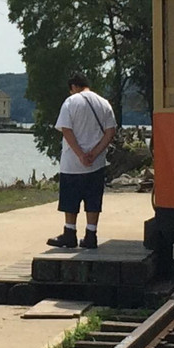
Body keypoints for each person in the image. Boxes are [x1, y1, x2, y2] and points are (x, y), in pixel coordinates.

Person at [47, 72, 117, 249]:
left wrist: (80, 154)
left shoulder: (71, 102)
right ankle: (91, 234)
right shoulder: (104, 103)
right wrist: (94, 152)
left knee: (70, 199)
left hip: (72, 162)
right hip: (97, 162)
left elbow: (66, 130)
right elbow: (110, 131)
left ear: (73, 87)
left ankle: (69, 233)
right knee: (93, 200)